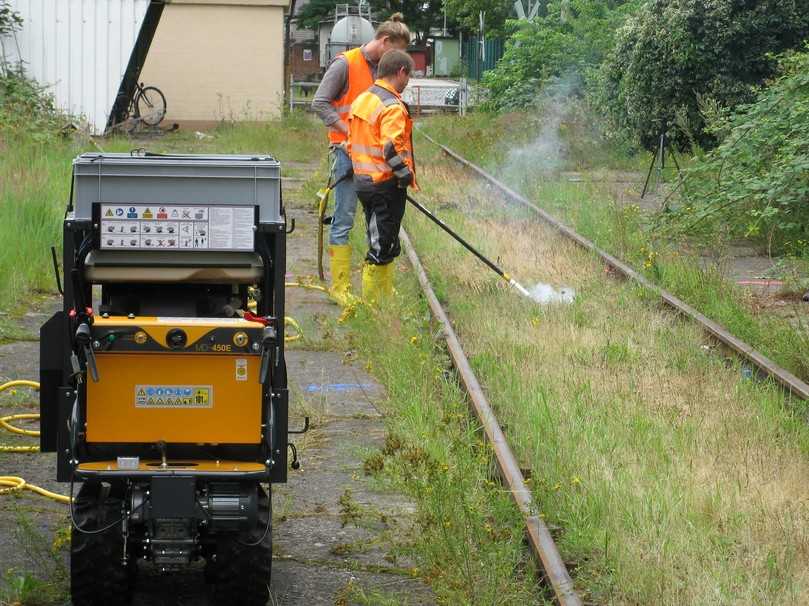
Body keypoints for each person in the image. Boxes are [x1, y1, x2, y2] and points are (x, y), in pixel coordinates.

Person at [311, 13, 411, 305]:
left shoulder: (382, 70)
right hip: (345, 154)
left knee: (376, 221)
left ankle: (378, 287)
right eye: (396, 51)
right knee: (343, 218)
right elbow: (320, 103)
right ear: (385, 41)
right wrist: (350, 133)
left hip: (372, 161)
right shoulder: (345, 64)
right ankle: (340, 287)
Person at [347, 49, 417, 303]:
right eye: (408, 76)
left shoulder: (363, 99)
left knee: (385, 240)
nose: (407, 82)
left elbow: (350, 142)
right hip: (384, 185)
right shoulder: (392, 106)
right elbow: (390, 147)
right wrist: (404, 175)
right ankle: (372, 304)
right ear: (401, 72)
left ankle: (385, 297)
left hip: (364, 182)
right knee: (381, 246)